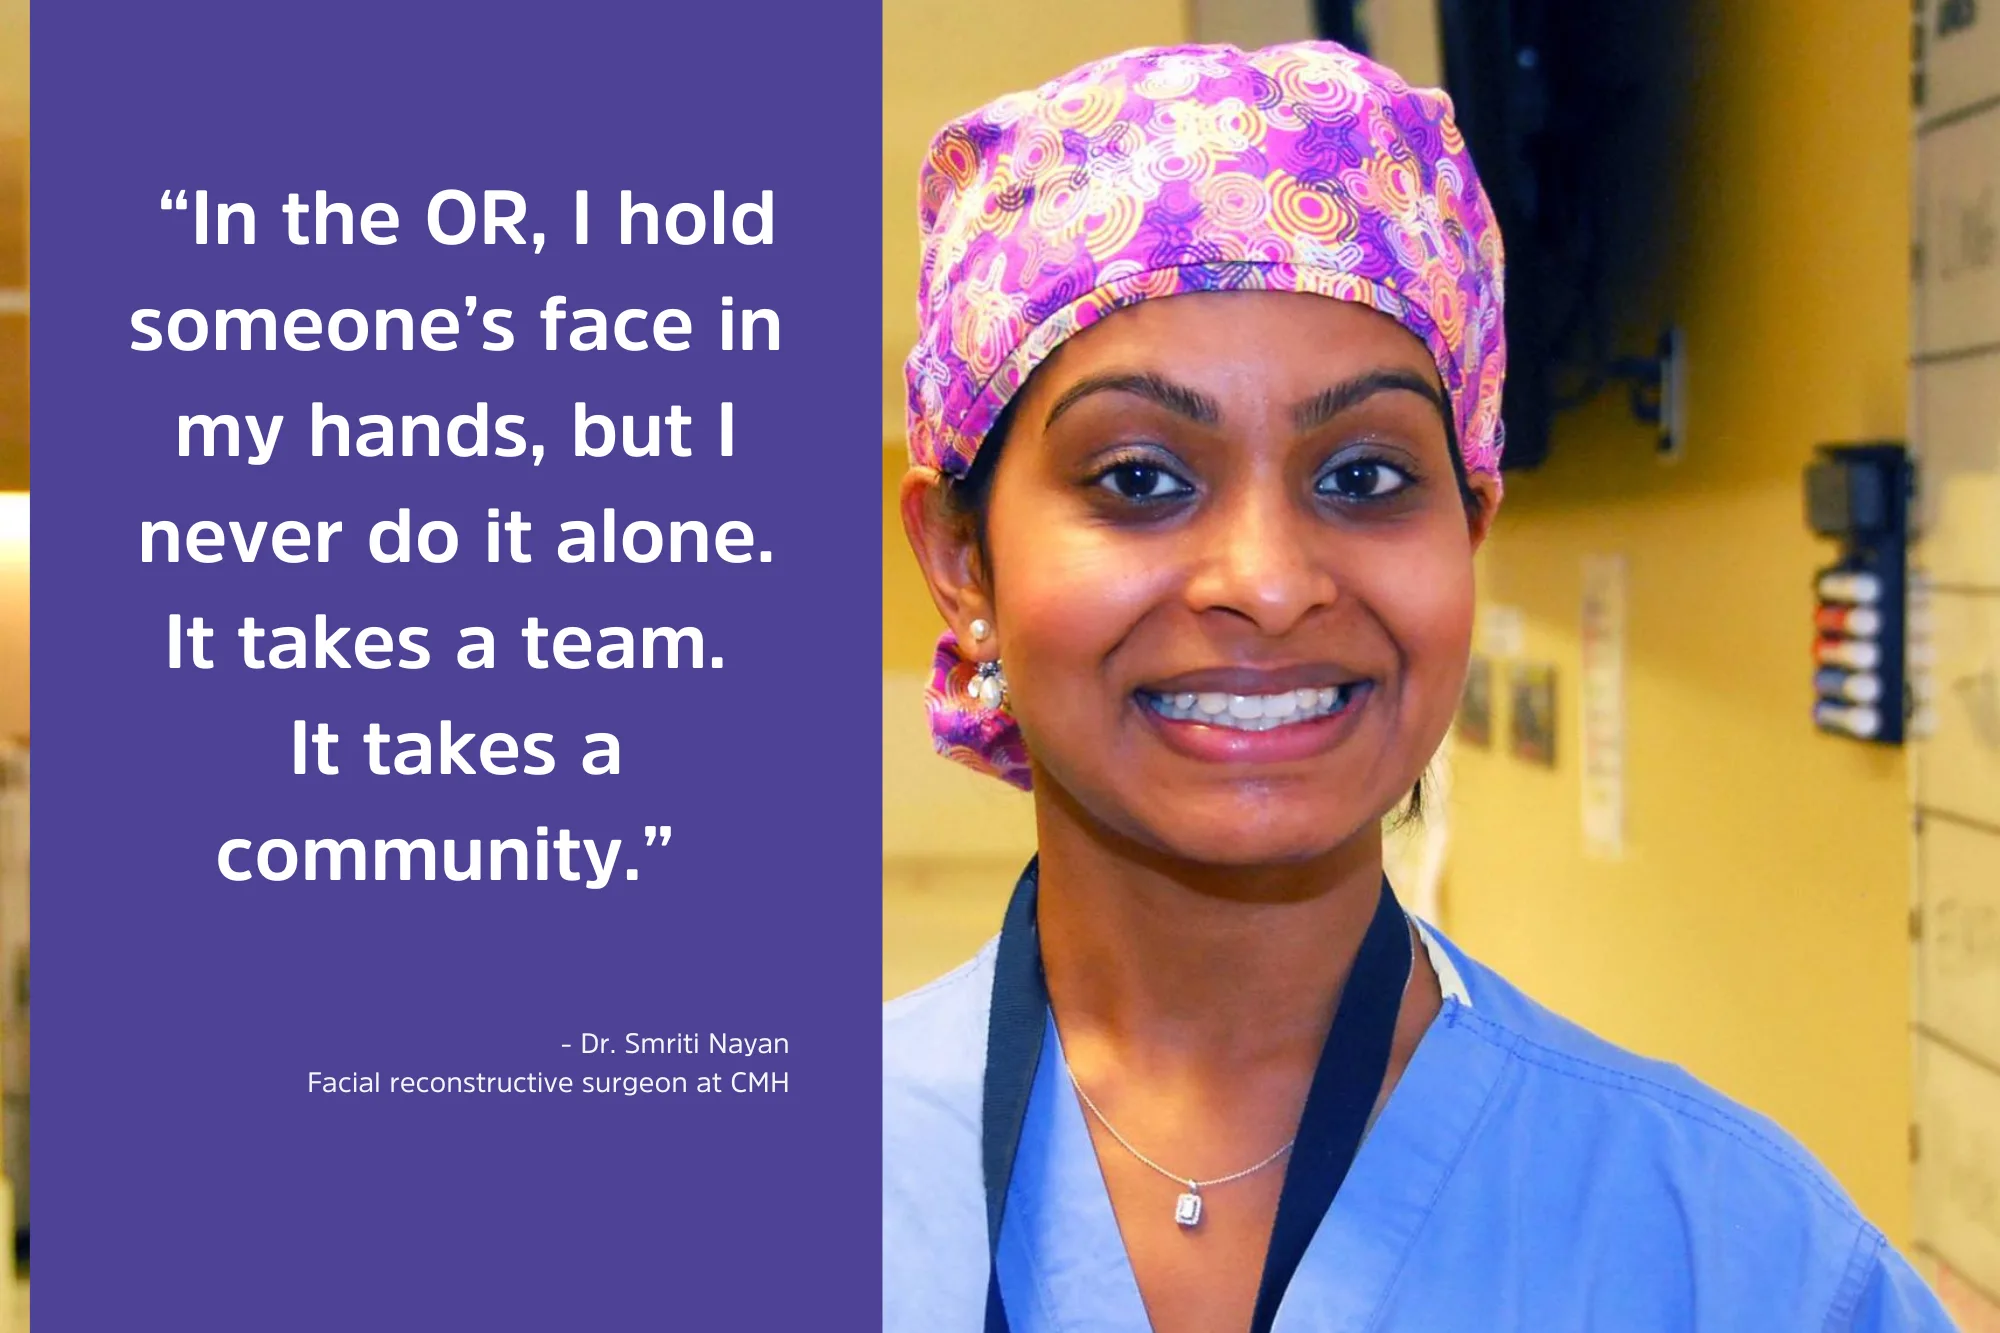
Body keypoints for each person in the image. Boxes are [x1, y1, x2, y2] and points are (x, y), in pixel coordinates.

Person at [884, 41, 1950, 1332]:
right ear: (962, 561)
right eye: (1140, 478)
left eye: (1364, 477)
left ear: (1470, 532)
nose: (1269, 584)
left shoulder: (1735, 1262)